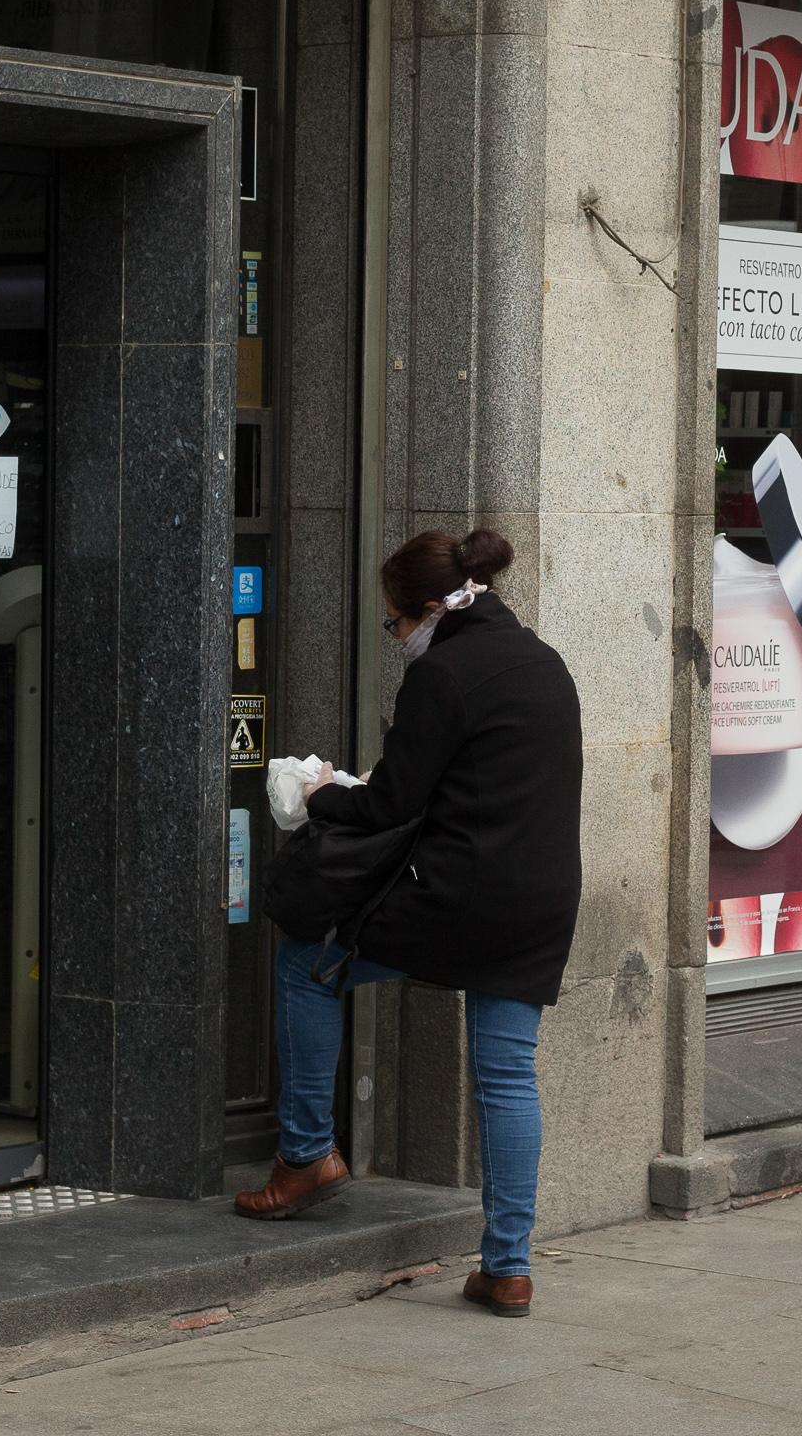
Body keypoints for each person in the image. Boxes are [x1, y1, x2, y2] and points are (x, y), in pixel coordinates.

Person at [233, 526, 585, 1320]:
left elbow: (389, 803)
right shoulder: (543, 661)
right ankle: (509, 1268)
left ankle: (304, 1158)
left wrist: (318, 788)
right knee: (506, 1074)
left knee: (307, 960)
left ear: (431, 609)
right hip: (540, 898)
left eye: (393, 624)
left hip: (456, 897)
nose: (394, 639)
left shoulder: (445, 675)